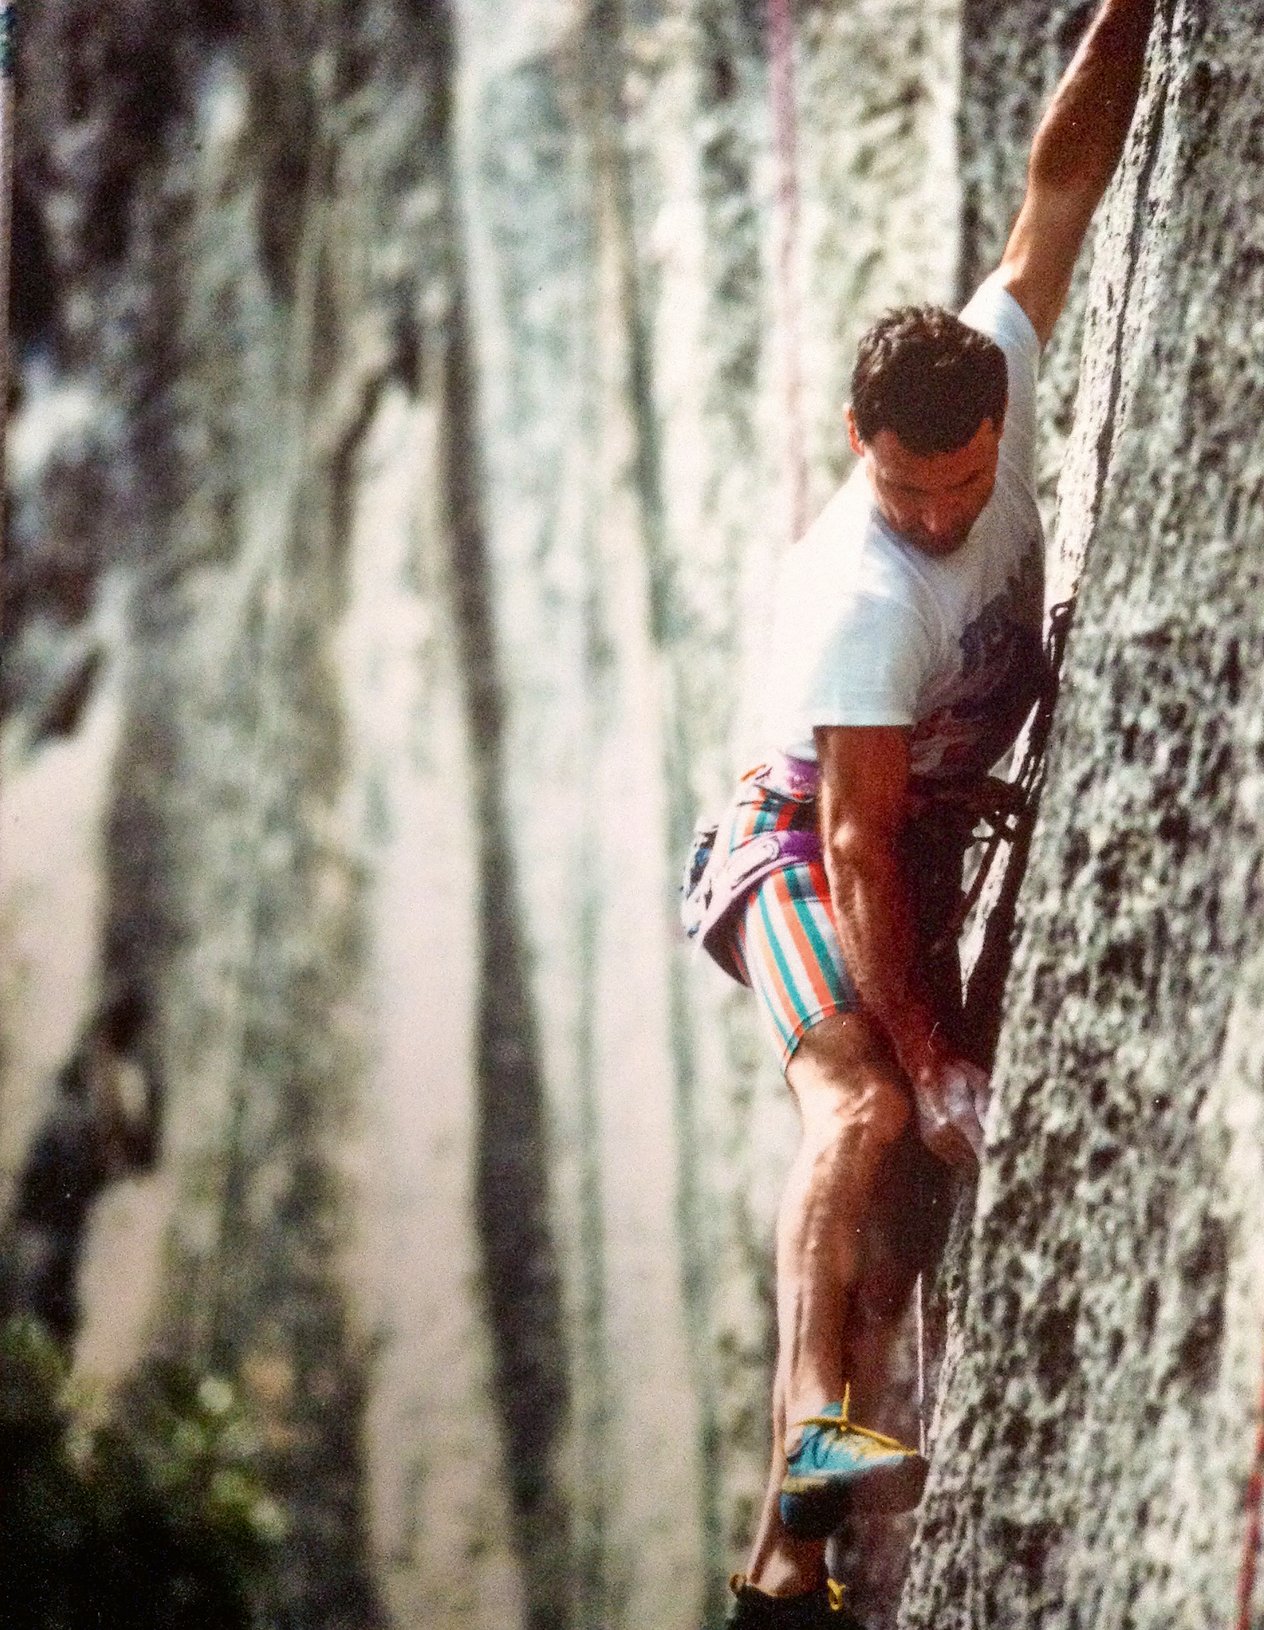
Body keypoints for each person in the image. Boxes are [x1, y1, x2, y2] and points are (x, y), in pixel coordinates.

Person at [692, 2, 1156, 1623]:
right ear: (857, 446)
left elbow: (1059, 194)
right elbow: (854, 845)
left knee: (903, 1209)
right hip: (804, 831)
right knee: (868, 1109)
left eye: (966, 482)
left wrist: (1137, 17)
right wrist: (934, 1045)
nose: (945, 512)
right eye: (911, 489)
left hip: (916, 834)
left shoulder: (991, 371)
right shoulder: (858, 600)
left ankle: (800, 1559)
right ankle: (805, 1461)